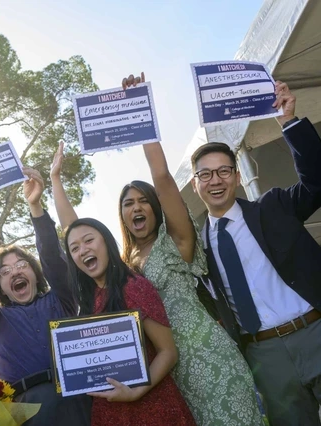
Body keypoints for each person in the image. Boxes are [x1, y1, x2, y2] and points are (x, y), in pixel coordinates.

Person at [117, 72, 262, 425]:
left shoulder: (176, 242)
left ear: (155, 208)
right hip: (164, 373)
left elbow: (163, 177)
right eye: (128, 203)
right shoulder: (122, 264)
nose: (136, 207)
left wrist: (141, 113)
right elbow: (81, 238)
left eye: (143, 201)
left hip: (207, 355)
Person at [191, 81, 321, 426]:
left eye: (223, 171)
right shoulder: (196, 248)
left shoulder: (274, 206)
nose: (215, 180)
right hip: (265, 356)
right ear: (195, 184)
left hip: (315, 332)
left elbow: (318, 181)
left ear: (236, 177)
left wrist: (288, 122)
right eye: (205, 174)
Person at [0, 167, 91, 426]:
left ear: (35, 273)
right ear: (0, 285)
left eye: (22, 265)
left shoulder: (61, 300)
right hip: (28, 410)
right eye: (5, 271)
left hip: (78, 400)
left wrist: (35, 207)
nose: (15, 272)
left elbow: (54, 260)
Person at [63, 217, 195, 426]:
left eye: (89, 240)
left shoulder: (135, 287)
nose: (83, 250)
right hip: (109, 414)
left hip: (152, 410)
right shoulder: (87, 303)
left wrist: (135, 392)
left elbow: (168, 352)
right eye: (74, 248)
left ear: (106, 241)